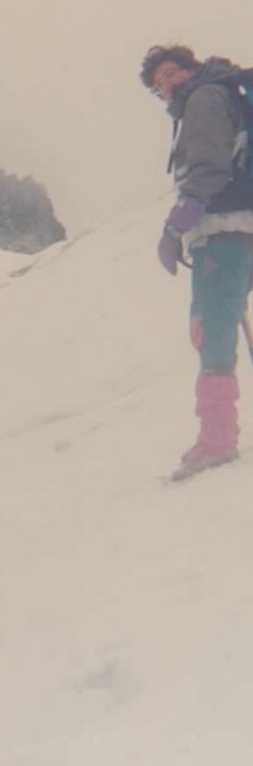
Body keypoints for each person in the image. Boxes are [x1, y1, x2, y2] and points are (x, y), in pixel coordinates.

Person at [140, 45, 253, 480]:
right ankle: (218, 432)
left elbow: (208, 166)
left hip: (221, 225)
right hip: (237, 224)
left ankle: (218, 437)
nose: (167, 85)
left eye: (170, 73)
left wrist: (177, 224)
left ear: (190, 70)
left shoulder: (204, 98)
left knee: (211, 325)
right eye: (159, 84)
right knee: (221, 319)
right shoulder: (219, 95)